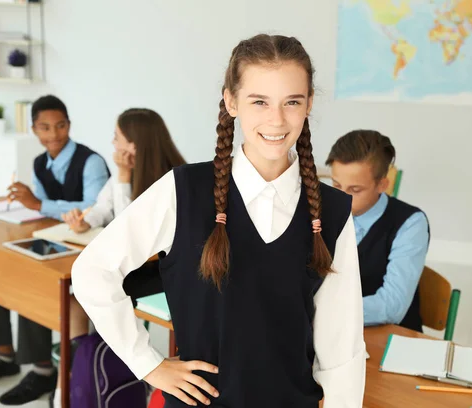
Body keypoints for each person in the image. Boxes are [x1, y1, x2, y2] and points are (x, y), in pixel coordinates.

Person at [73, 34, 365, 408]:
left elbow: (342, 350)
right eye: (259, 101)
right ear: (231, 102)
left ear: (308, 104)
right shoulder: (183, 191)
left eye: (291, 102)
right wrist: (149, 365)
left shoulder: (333, 210)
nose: (276, 119)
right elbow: (92, 272)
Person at [0, 95, 110, 406]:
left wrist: (39, 204)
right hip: (56, 237)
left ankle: (43, 370)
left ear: (69, 125)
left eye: (60, 126)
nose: (54, 134)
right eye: (45, 128)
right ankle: (4, 355)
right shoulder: (40, 163)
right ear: (34, 130)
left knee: (33, 280)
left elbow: (96, 208)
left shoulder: (91, 161)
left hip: (87, 247)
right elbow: (40, 212)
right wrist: (32, 206)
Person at [51, 108, 186, 408]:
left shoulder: (174, 179)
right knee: (75, 297)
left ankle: (94, 366)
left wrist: (123, 178)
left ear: (135, 144)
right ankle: (80, 366)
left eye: (118, 139)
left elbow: (134, 232)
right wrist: (83, 221)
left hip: (155, 273)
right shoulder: (120, 178)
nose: (113, 145)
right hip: (129, 270)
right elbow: (102, 210)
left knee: (87, 295)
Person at [326, 130, 430, 331]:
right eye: (336, 185)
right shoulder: (322, 211)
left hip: (389, 340)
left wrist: (325, 311)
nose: (341, 197)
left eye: (355, 190)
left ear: (383, 184)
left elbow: (392, 306)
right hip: (331, 334)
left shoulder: (410, 224)